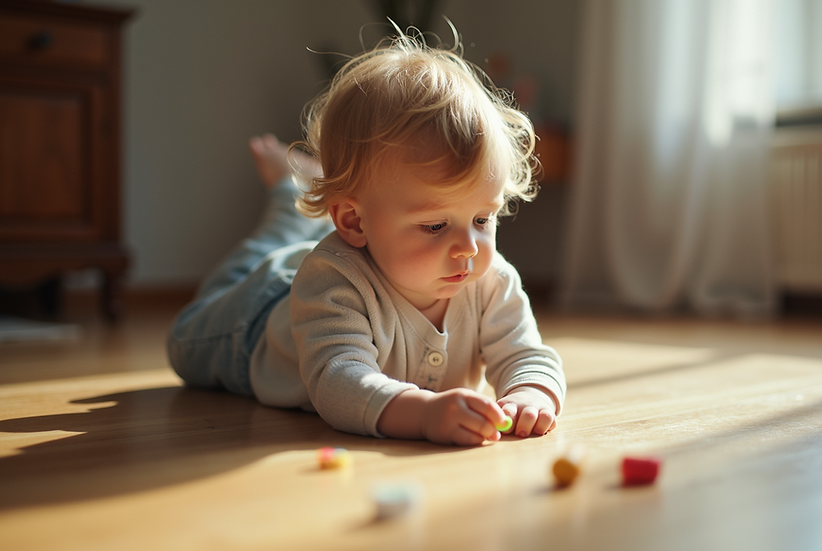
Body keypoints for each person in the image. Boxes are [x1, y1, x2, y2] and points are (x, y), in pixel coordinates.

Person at [167, 31, 565, 446]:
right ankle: (291, 196)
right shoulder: (333, 282)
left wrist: (530, 393)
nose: (469, 247)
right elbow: (340, 383)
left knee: (305, 240)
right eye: (435, 225)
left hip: (343, 251)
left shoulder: (492, 281)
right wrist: (423, 414)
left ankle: (303, 193)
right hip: (253, 320)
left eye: (482, 219)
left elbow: (526, 355)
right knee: (184, 339)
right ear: (355, 222)